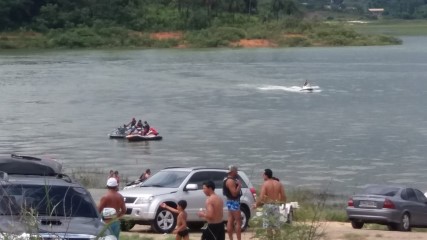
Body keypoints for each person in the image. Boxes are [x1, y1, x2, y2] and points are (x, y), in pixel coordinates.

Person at [253, 169, 287, 238]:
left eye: (263, 175)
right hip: (275, 205)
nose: (262, 176)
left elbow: (261, 197)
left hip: (268, 206)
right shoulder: (279, 183)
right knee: (277, 226)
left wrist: (256, 204)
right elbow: (283, 196)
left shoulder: (265, 184)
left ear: (266, 175)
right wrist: (281, 202)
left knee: (268, 227)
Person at [223, 165, 242, 240]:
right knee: (238, 220)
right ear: (233, 172)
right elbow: (234, 193)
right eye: (236, 171)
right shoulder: (230, 181)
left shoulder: (226, 179)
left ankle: (231, 238)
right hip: (234, 201)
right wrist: (239, 186)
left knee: (230, 219)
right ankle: (238, 238)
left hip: (229, 201)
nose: (237, 172)